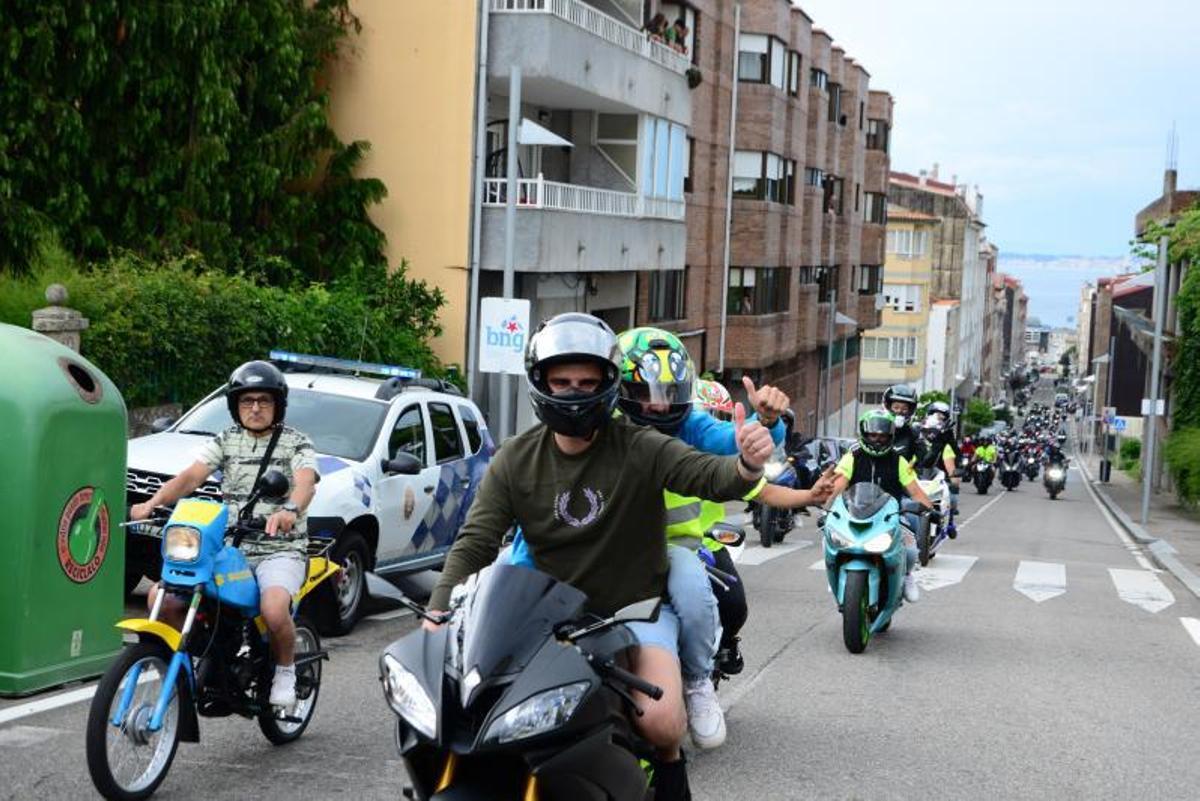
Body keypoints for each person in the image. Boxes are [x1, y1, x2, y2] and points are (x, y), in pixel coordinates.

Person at [425, 313, 776, 801]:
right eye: (562, 381)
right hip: (538, 615)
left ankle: (671, 778)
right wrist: (440, 610)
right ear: (541, 383)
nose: (574, 393)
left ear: (609, 385)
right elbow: (477, 539)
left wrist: (746, 463)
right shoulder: (514, 458)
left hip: (633, 610)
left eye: (587, 382)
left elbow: (706, 475)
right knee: (473, 710)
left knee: (661, 723)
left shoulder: (641, 446)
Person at [130, 361, 318, 708]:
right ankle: (193, 665)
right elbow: (190, 477)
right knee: (162, 596)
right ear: (235, 405)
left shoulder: (296, 442)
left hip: (280, 549)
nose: (256, 408)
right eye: (247, 401)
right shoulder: (226, 440)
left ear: (278, 404)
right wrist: (152, 502)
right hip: (232, 545)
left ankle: (286, 670)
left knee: (274, 609)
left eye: (264, 400)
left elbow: (306, 481)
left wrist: (290, 510)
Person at [827, 410, 938, 603]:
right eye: (873, 435)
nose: (877, 439)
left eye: (883, 435)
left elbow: (916, 491)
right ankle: (837, 570)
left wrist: (931, 510)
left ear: (891, 436)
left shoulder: (899, 462)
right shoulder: (852, 458)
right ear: (864, 433)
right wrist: (826, 508)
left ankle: (907, 575)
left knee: (911, 550)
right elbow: (837, 487)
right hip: (854, 513)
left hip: (890, 515)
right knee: (831, 539)